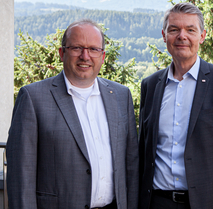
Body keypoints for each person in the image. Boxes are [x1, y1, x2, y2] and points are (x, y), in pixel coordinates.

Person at [6, 19, 139, 209]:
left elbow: (131, 165)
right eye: (77, 48)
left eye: (93, 49)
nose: (85, 56)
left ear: (102, 56)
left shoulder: (120, 95)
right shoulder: (33, 98)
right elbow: (21, 175)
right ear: (62, 53)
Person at [138, 2, 213, 209]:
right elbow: (144, 150)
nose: (182, 36)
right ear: (164, 35)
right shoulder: (150, 85)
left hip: (208, 202)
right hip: (157, 202)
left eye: (190, 30)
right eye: (174, 30)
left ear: (202, 36)